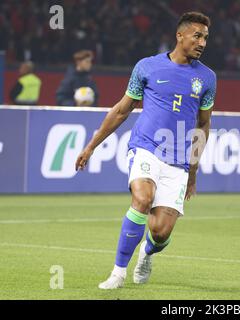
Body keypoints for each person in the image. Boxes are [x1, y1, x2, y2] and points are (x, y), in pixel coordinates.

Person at [75, 11, 216, 289]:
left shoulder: (208, 78)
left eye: (205, 38)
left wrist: (193, 170)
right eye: (197, 36)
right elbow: (121, 111)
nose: (202, 42)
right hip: (146, 147)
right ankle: (117, 273)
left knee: (160, 232)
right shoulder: (147, 67)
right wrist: (91, 146)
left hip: (178, 160)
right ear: (180, 35)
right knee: (142, 197)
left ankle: (147, 253)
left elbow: (203, 125)